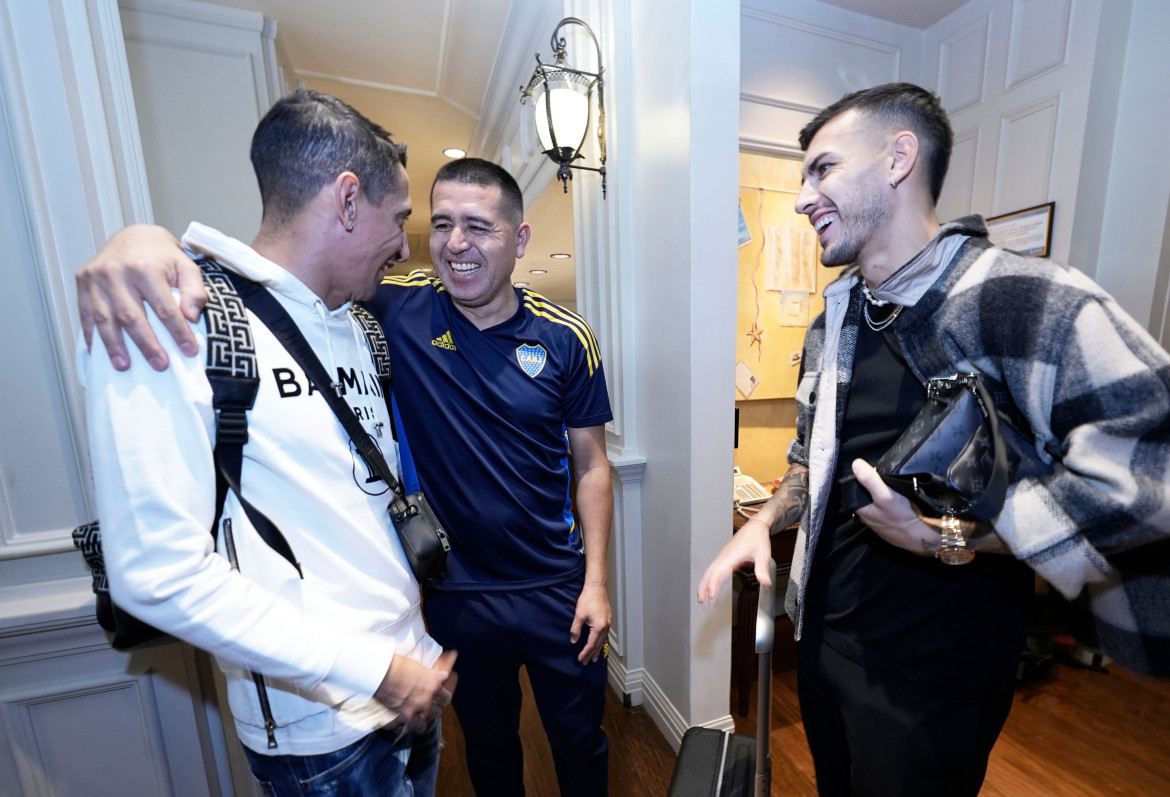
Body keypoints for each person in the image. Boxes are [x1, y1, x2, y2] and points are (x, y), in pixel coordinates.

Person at [76, 156, 615, 796]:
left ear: (519, 240)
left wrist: (597, 583)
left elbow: (592, 466)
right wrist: (143, 240)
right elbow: (278, 272)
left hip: (556, 586)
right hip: (457, 596)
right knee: (491, 749)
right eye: (441, 224)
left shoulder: (566, 337)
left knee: (581, 743)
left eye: (478, 225)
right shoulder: (393, 308)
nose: (456, 243)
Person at [698, 82, 1170, 796]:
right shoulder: (836, 318)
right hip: (826, 641)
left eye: (822, 168)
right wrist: (765, 521)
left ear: (898, 158)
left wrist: (943, 537)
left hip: (935, 675)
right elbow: (808, 460)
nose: (802, 197)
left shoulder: (1019, 296)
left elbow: (1152, 467)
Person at [79, 89, 456, 797]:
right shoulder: (175, 317)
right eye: (399, 218)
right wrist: (371, 668)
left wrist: (405, 665)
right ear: (347, 201)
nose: (407, 245)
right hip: (323, 737)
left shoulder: (364, 324)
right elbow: (154, 569)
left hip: (412, 686)